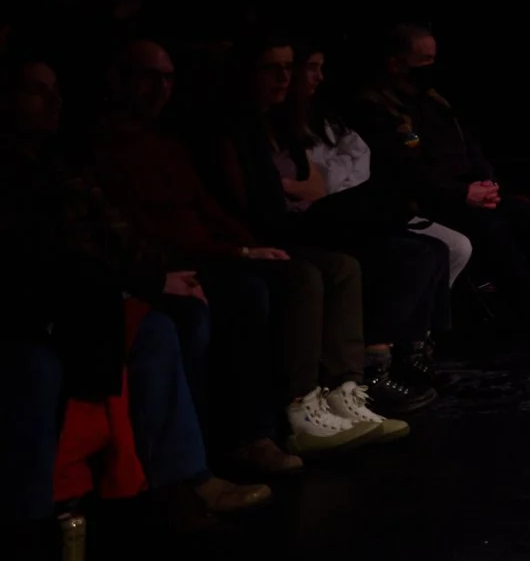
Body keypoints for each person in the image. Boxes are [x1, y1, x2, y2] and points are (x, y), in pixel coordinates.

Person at [2, 52, 272, 532]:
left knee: (160, 324)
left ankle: (182, 479)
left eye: (55, 89)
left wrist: (237, 250)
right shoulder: (33, 170)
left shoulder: (62, 168)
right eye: (35, 91)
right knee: (52, 360)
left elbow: (121, 234)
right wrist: (145, 280)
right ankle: (36, 522)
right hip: (37, 304)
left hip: (86, 292)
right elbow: (43, 258)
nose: (53, 101)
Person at [89, 38, 384, 459]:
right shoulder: (116, 148)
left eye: (167, 78)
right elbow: (148, 229)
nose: (160, 88)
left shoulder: (175, 142)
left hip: (221, 246)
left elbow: (207, 207)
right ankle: (284, 414)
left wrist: (249, 245)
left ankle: (341, 389)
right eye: (148, 77)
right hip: (176, 261)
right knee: (277, 283)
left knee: (340, 266)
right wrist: (241, 252)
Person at [348, 23, 530, 334]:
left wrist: (487, 182)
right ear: (396, 63)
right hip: (428, 200)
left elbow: (468, 144)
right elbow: (404, 171)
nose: (430, 69)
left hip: (467, 191)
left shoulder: (433, 100)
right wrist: (462, 193)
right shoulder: (373, 108)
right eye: (423, 62)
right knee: (491, 230)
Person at [270, 40, 448, 412]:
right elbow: (301, 184)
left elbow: (358, 160)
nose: (315, 77)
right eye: (310, 68)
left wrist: (320, 183)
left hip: (337, 211)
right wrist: (316, 185)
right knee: (400, 252)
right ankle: (373, 366)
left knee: (430, 248)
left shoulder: (324, 116)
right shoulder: (275, 121)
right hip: (297, 223)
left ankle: (409, 351)